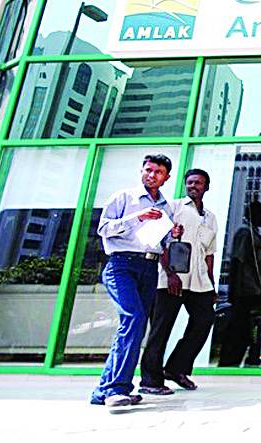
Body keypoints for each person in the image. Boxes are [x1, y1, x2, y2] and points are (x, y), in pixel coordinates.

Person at [90, 154, 182, 408]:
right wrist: (138, 217)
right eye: (148, 170)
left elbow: (162, 243)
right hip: (121, 265)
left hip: (149, 266)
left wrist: (173, 234)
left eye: (158, 172)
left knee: (135, 327)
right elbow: (103, 229)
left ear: (166, 177)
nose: (151, 175)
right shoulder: (124, 198)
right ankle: (115, 389)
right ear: (142, 170)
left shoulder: (166, 207)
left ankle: (104, 390)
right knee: (133, 319)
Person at [139, 168, 218, 395]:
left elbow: (209, 254)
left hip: (200, 281)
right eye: (190, 182)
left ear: (206, 187)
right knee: (160, 330)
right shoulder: (174, 208)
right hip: (172, 280)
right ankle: (150, 381)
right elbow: (161, 242)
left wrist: (211, 284)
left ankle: (176, 368)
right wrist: (170, 273)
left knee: (204, 320)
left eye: (198, 183)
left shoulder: (210, 217)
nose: (193, 186)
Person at [218, 201, 261, 367]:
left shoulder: (255, 235)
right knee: (237, 331)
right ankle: (228, 364)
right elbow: (237, 262)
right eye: (260, 214)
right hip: (245, 291)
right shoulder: (245, 234)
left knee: (248, 331)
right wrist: (234, 291)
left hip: (253, 291)